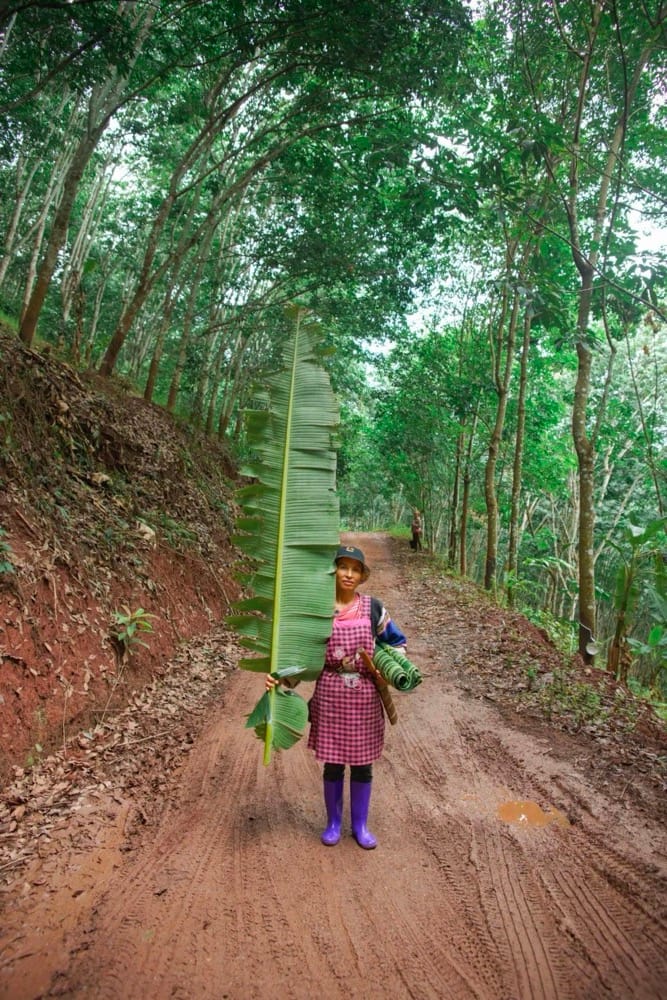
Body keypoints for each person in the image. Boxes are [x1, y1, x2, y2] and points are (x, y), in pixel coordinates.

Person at [266, 544, 407, 849]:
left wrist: (392, 670)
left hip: (365, 699)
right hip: (330, 697)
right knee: (333, 763)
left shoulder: (374, 608)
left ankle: (359, 826)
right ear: (333, 570)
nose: (349, 574)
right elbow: (305, 659)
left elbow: (397, 643)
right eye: (343, 567)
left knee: (362, 764)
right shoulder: (319, 611)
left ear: (362, 576)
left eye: (355, 569)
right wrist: (280, 679)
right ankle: (332, 824)